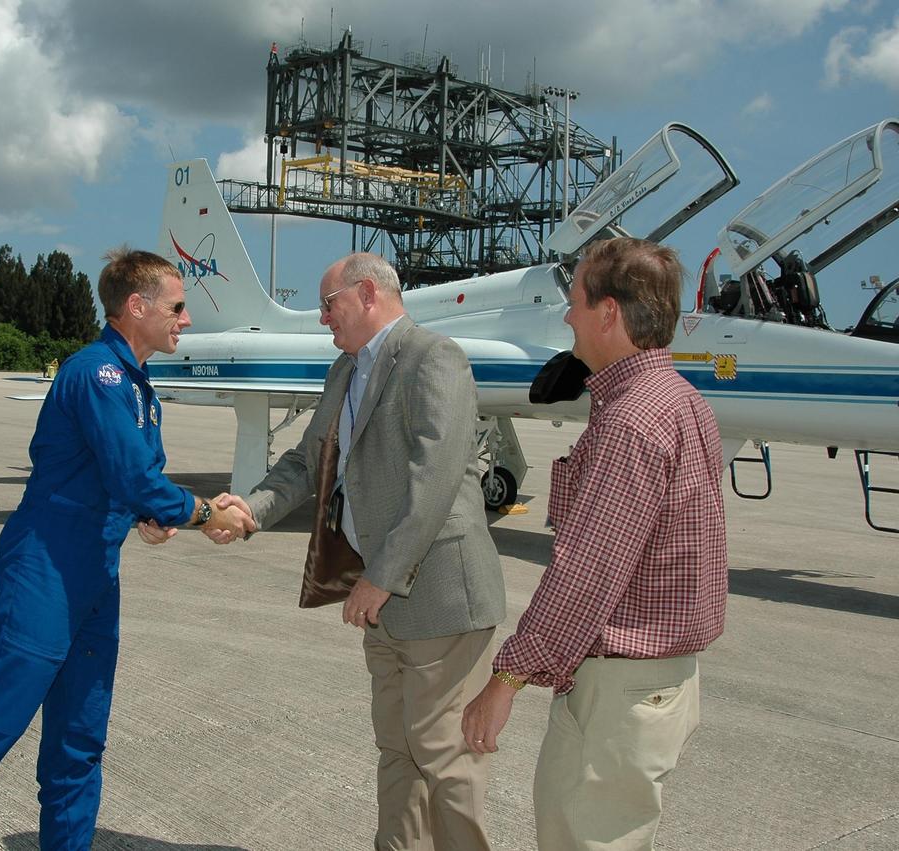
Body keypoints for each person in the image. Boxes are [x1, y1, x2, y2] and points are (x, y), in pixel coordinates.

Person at [0, 247, 254, 851]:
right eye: (177, 307)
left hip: (96, 573)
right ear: (136, 306)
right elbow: (132, 475)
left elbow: (130, 482)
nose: (187, 319)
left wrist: (150, 516)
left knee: (80, 736)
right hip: (45, 568)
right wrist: (201, 512)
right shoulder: (96, 374)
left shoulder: (138, 387)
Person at [215, 252, 506, 851]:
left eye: (328, 304)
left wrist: (382, 576)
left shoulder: (433, 358)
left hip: (439, 597)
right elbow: (308, 459)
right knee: (397, 750)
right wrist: (250, 511)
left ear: (367, 294)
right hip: (382, 598)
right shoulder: (346, 372)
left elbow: (437, 479)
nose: (322, 319)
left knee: (445, 759)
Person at [461, 237, 728, 850]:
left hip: (620, 695)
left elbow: (588, 575)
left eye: (576, 301)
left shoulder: (631, 420)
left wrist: (507, 679)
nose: (567, 316)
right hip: (663, 683)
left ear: (609, 313)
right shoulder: (684, 402)